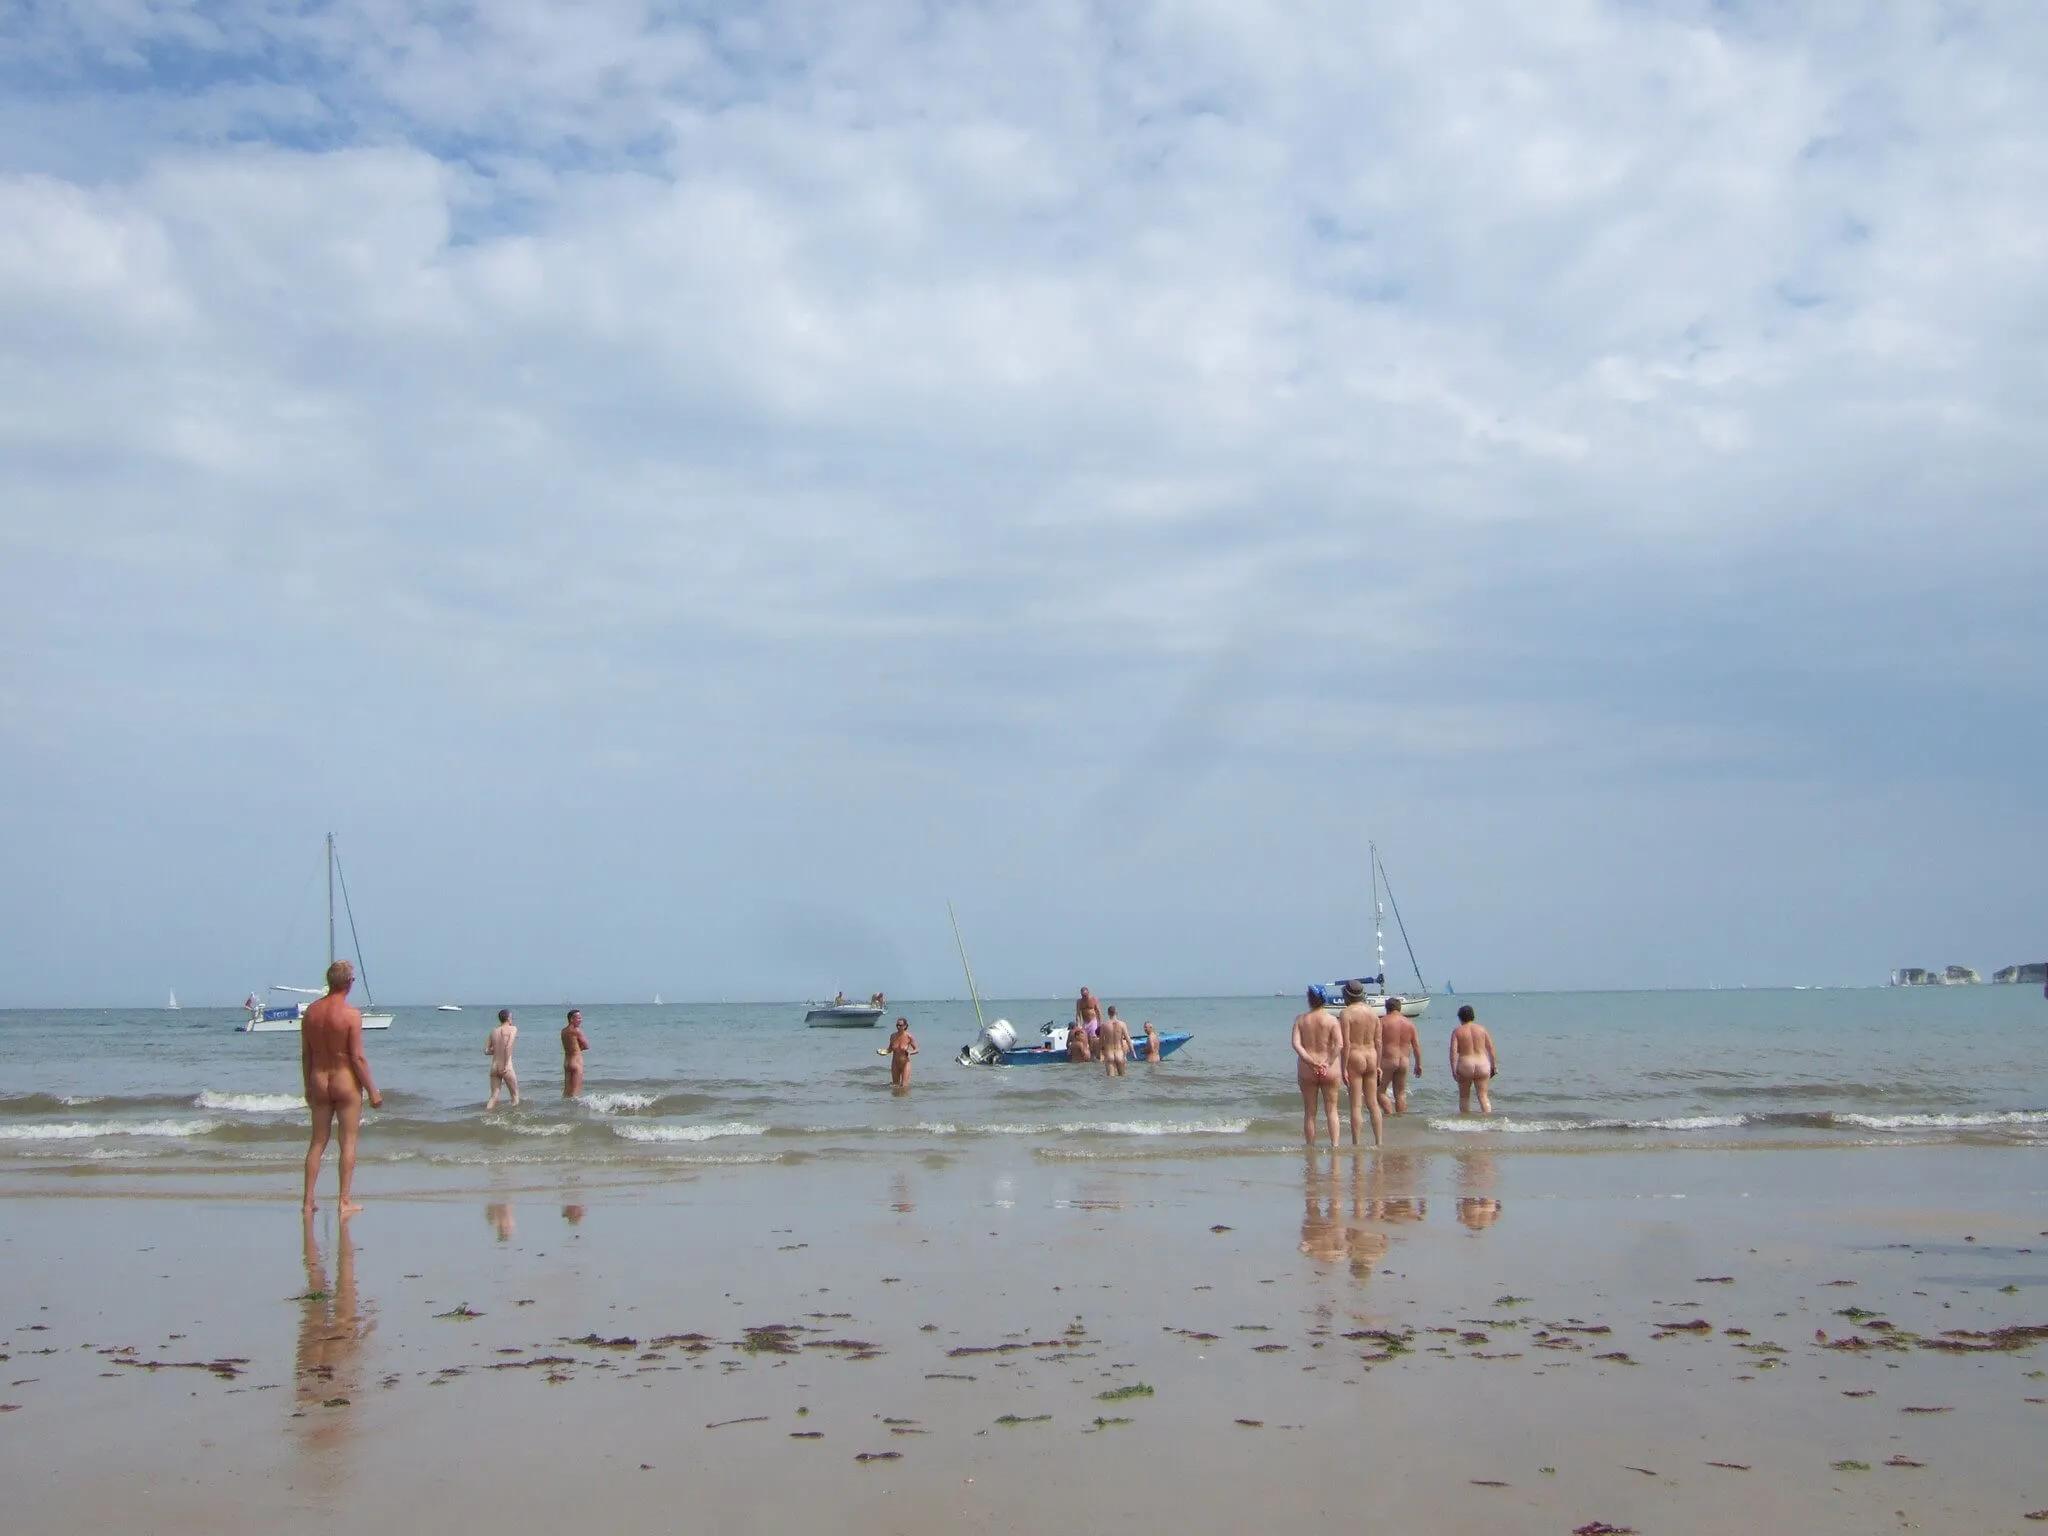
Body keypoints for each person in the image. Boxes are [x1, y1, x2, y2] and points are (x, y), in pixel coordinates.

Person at [300, 959, 381, 1215]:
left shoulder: (311, 1013)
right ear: (347, 983)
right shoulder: (350, 1015)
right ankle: (344, 1201)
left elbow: (306, 1055)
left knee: (317, 1142)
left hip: (318, 1079)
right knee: (348, 1142)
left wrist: (308, 1087)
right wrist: (372, 1090)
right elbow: (357, 1057)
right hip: (344, 1081)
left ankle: (308, 1201)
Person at [1291, 987, 1344, 1147]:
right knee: (1332, 1110)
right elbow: (1339, 1044)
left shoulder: (1301, 1020)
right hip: (1330, 1068)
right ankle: (1335, 1146)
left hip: (1307, 1069)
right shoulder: (1332, 1020)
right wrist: (1327, 1063)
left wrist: (1310, 1061)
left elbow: (1296, 1044)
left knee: (1310, 1112)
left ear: (1309, 999)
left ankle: (1311, 1147)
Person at [1338, 979, 1384, 1148]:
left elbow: (1346, 1044)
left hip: (1355, 1057)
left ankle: (1357, 1144)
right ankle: (1379, 1142)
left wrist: (1342, 1067)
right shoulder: (1373, 1013)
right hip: (1371, 1056)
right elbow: (1379, 1042)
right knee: (1373, 1104)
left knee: (1356, 1106)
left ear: (1346, 995)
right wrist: (1378, 1065)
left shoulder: (1346, 1013)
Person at [1448, 1004, 1498, 1115]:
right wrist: (1494, 1066)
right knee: (1483, 1096)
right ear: (1473, 1016)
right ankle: (1488, 1121)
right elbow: (1491, 1049)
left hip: (1465, 1065)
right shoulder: (1482, 1029)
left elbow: (1453, 1052)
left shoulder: (1457, 1031)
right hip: (1482, 1064)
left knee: (1464, 1097)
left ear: (1460, 1017)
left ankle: (1466, 1124)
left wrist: (1453, 1070)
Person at [1377, 997, 1421, 1116]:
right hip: (1404, 1062)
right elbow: (1416, 1046)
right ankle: (1401, 1119)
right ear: (1400, 1008)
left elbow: (1378, 1043)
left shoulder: (1383, 1022)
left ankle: (1389, 1115)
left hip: (1388, 1061)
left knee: (1379, 1092)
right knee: (1400, 1094)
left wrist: (1376, 1064)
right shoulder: (1410, 1024)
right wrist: (1418, 1064)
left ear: (1387, 1008)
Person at [485, 1009, 520, 1109]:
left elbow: (486, 1051)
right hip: (506, 1067)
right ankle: (516, 1120)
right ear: (508, 1018)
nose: (512, 1019)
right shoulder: (513, 1029)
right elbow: (508, 1046)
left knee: (494, 1097)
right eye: (511, 1017)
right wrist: (505, 1065)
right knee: (515, 1096)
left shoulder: (493, 1031)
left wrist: (497, 1050)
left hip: (494, 1067)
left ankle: (487, 1116)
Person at [878, 1016, 919, 1088]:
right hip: (895, 1063)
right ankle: (895, 1099)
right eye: (897, 1025)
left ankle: (906, 1099)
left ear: (905, 1026)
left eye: (900, 1025)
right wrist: (883, 1052)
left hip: (905, 1063)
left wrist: (910, 1052)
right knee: (895, 1086)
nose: (898, 1027)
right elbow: (890, 1049)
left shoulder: (909, 1036)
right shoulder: (893, 1036)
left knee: (904, 1086)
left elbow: (917, 1049)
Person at [561, 1008, 589, 1098]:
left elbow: (570, 1045)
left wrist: (576, 1048)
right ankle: (573, 1111)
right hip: (576, 1063)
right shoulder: (577, 1030)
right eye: (578, 1018)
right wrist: (578, 1049)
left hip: (567, 1062)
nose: (581, 1020)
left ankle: (564, 1109)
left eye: (581, 1018)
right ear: (572, 1019)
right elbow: (586, 1045)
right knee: (575, 1094)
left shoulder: (563, 1031)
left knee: (567, 1092)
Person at [1100, 1005, 1132, 1077]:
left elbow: (1101, 1040)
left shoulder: (1104, 1025)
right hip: (1119, 1053)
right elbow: (1127, 1039)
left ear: (1108, 1013)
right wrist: (1133, 1051)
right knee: (1122, 1077)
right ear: (1116, 1013)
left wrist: (1101, 1053)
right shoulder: (1122, 1024)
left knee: (1111, 1079)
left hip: (1109, 1053)